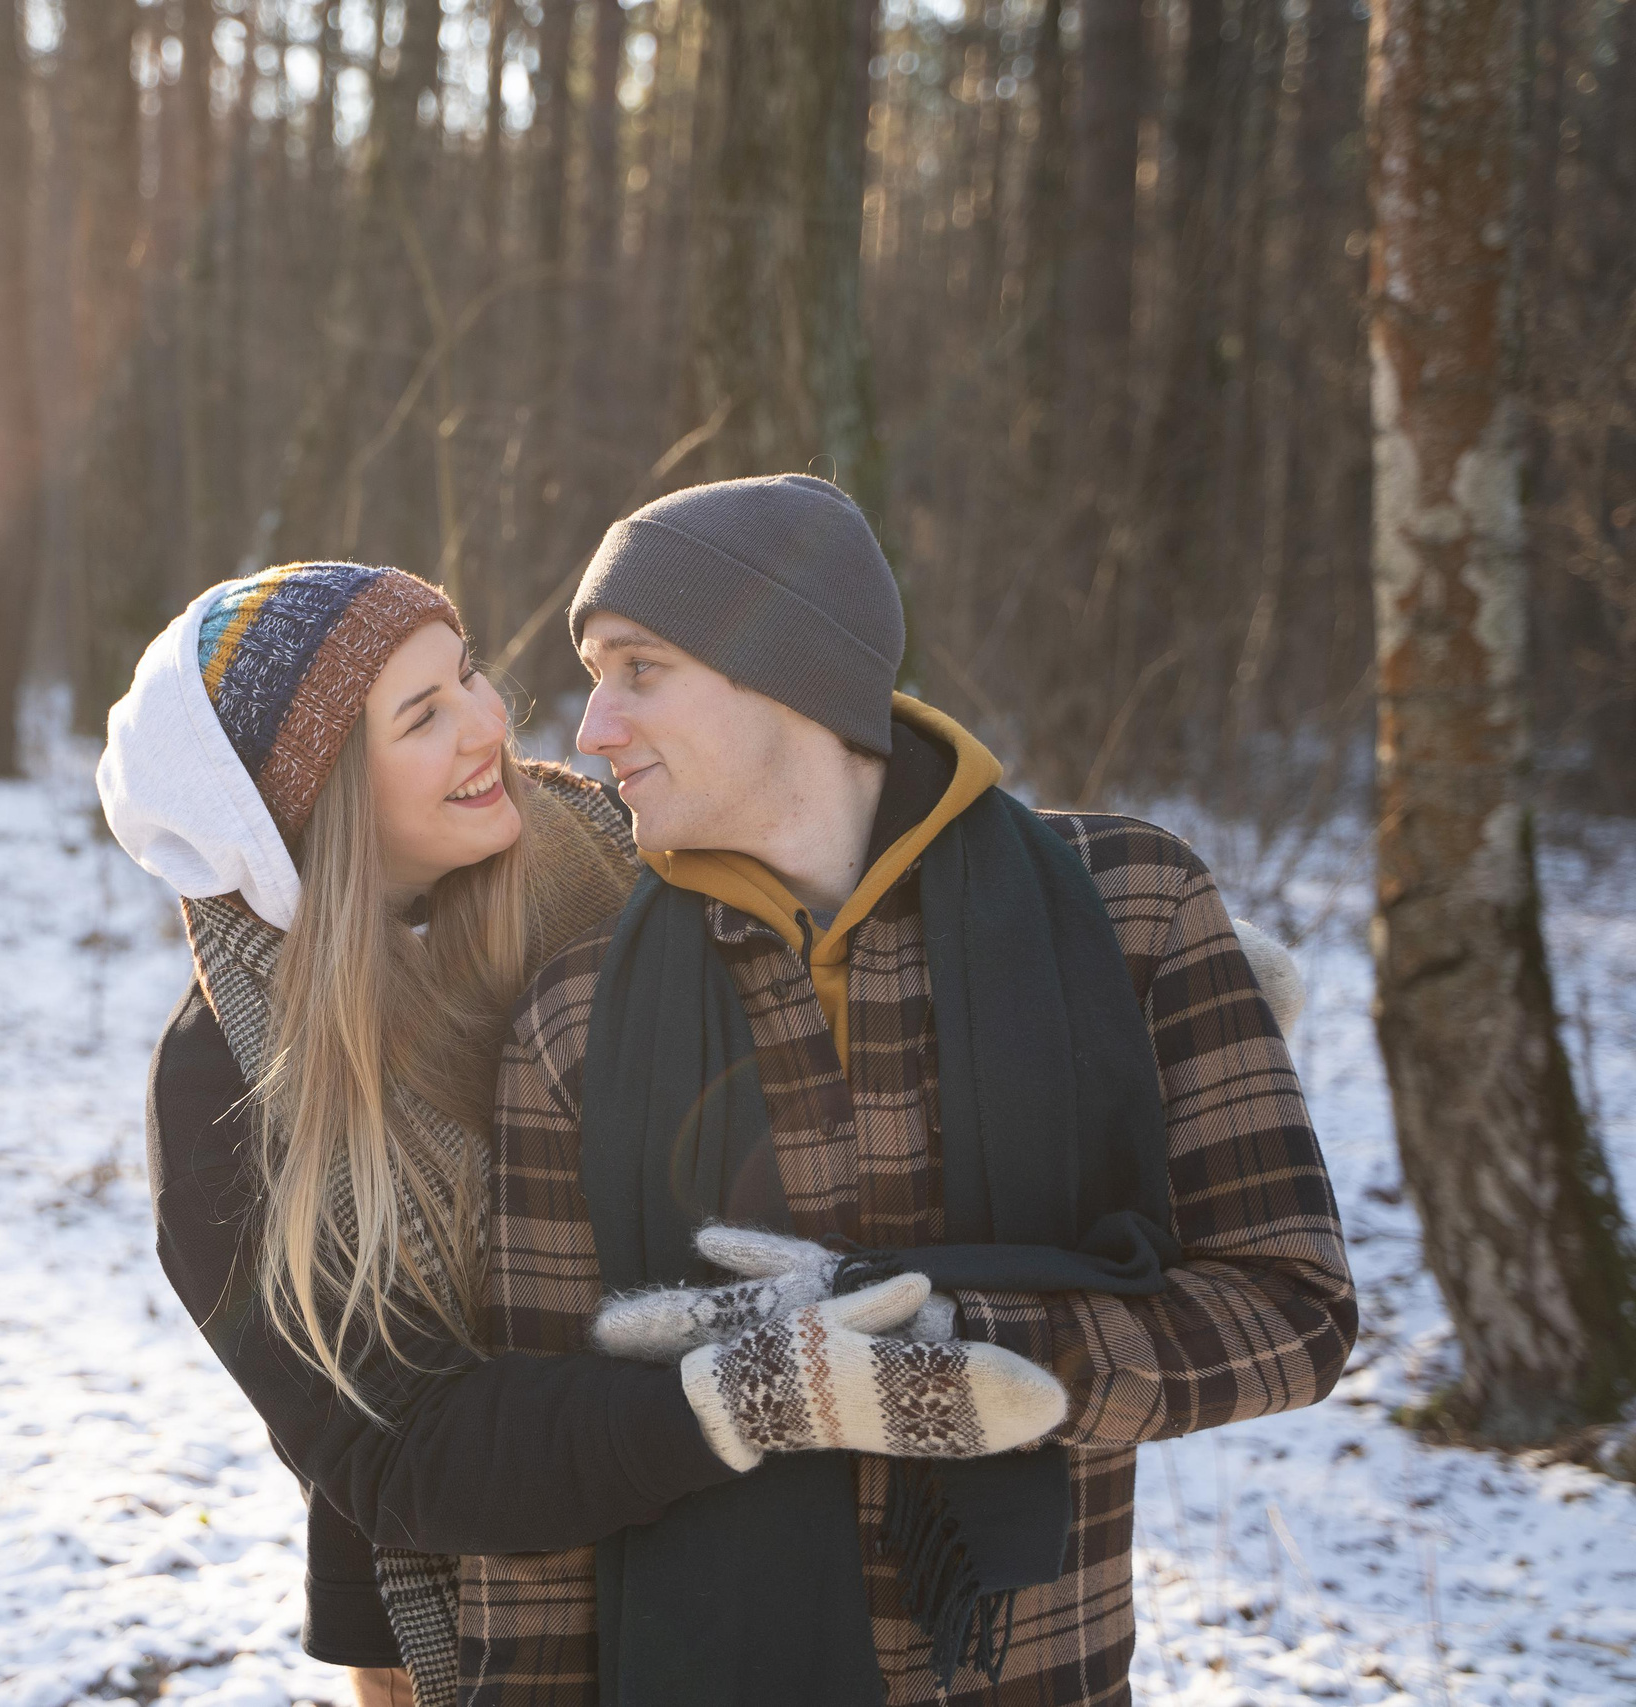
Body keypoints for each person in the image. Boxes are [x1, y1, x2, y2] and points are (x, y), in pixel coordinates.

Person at [462, 475, 1355, 1705]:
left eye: (639, 670)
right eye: (595, 677)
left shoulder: (1125, 910)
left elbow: (1289, 1307)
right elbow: (547, 1453)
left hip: (1032, 1675)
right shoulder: (578, 1016)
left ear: (786, 669)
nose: (593, 728)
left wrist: (947, 1352)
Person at [97, 564, 754, 1707]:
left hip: (745, 1544)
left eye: (468, 674)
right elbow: (392, 1444)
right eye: (422, 716)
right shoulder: (227, 1092)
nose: (489, 723)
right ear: (319, 801)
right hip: (462, 1609)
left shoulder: (612, 854)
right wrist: (740, 1400)